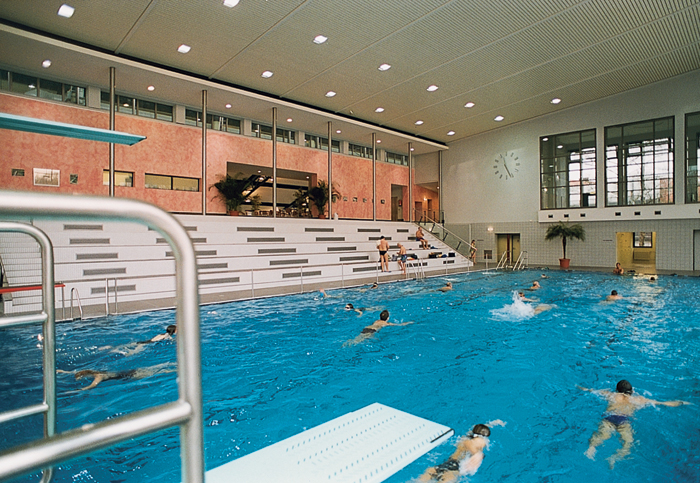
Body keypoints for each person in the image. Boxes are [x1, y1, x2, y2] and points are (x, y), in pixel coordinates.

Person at [579, 380, 689, 468]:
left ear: (617, 390)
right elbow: (663, 403)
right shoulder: (638, 399)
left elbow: (590, 390)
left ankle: (591, 449)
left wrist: (578, 386)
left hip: (609, 417)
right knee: (628, 443)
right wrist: (682, 402)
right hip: (623, 420)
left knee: (602, 435)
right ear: (632, 391)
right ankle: (614, 458)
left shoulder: (611, 395)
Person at [419, 420, 506, 482]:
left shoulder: (465, 437)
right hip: (454, 469)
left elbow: (473, 432)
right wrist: (477, 454)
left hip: (445, 464)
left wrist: (493, 423)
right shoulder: (479, 440)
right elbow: (470, 444)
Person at [58, 362, 177, 391]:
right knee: (156, 367)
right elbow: (77, 372)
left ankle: (176, 369)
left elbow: (92, 386)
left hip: (132, 376)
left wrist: (79, 390)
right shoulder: (93, 371)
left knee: (159, 372)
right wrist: (63, 372)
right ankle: (174, 364)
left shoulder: (98, 377)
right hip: (131, 371)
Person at [343, 310, 412, 346]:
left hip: (367, 328)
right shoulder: (386, 323)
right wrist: (408, 323)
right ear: (387, 318)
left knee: (357, 339)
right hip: (372, 331)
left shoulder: (376, 321)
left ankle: (346, 343)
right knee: (358, 342)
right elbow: (399, 325)